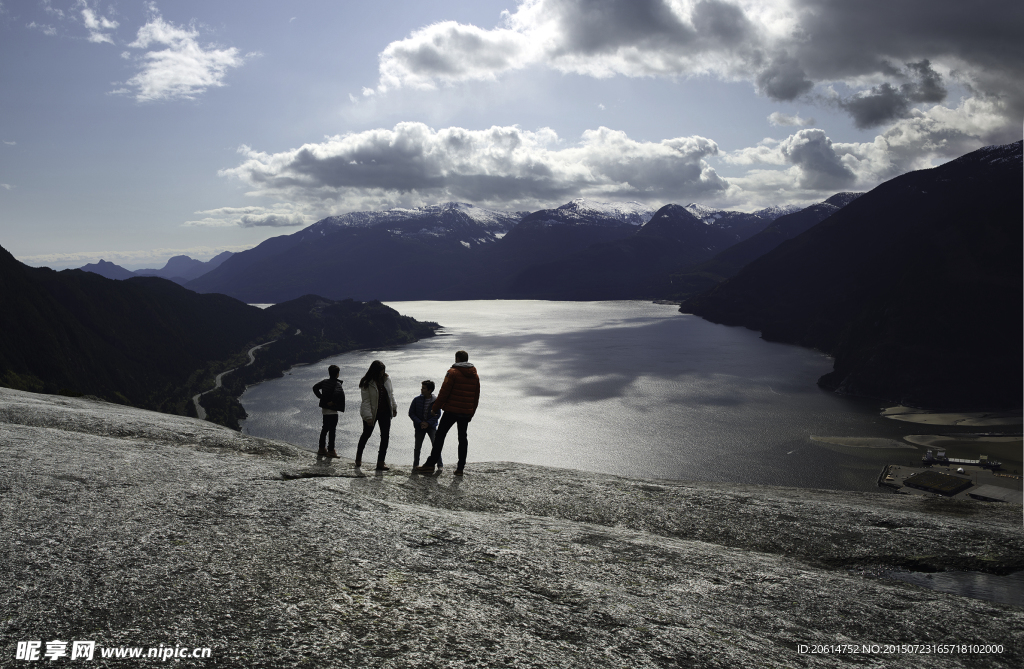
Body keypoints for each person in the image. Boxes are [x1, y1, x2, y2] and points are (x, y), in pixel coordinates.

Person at [415, 350, 479, 476]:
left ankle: (430, 465)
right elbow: (476, 396)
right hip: (465, 412)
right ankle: (460, 468)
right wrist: (471, 413)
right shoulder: (475, 375)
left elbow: (444, 392)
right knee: (462, 438)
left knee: (440, 436)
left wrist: (435, 408)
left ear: (457, 359)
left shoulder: (452, 373)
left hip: (451, 411)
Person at [356, 360, 398, 471]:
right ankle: (358, 457)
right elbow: (366, 401)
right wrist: (368, 417)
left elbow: (391, 395)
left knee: (385, 437)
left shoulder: (387, 379)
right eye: (380, 371)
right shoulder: (367, 382)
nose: (381, 373)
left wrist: (394, 407)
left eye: (383, 371)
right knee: (366, 434)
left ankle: (380, 462)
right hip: (372, 413)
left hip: (385, 412)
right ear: (374, 371)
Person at [311, 365, 345, 459]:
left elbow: (315, 387)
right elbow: (338, 393)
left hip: (324, 410)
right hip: (333, 411)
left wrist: (321, 397)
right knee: (332, 430)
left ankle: (321, 449)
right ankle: (331, 451)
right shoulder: (337, 383)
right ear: (337, 374)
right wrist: (333, 402)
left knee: (324, 429)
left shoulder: (324, 382)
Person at [408, 380, 442, 470]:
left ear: (430, 390)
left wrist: (428, 423)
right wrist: (420, 422)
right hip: (419, 426)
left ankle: (440, 465)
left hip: (431, 426)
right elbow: (411, 413)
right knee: (417, 447)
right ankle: (415, 465)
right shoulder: (416, 400)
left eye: (424, 388)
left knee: (436, 445)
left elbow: (438, 414)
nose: (421, 389)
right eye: (422, 387)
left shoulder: (436, 401)